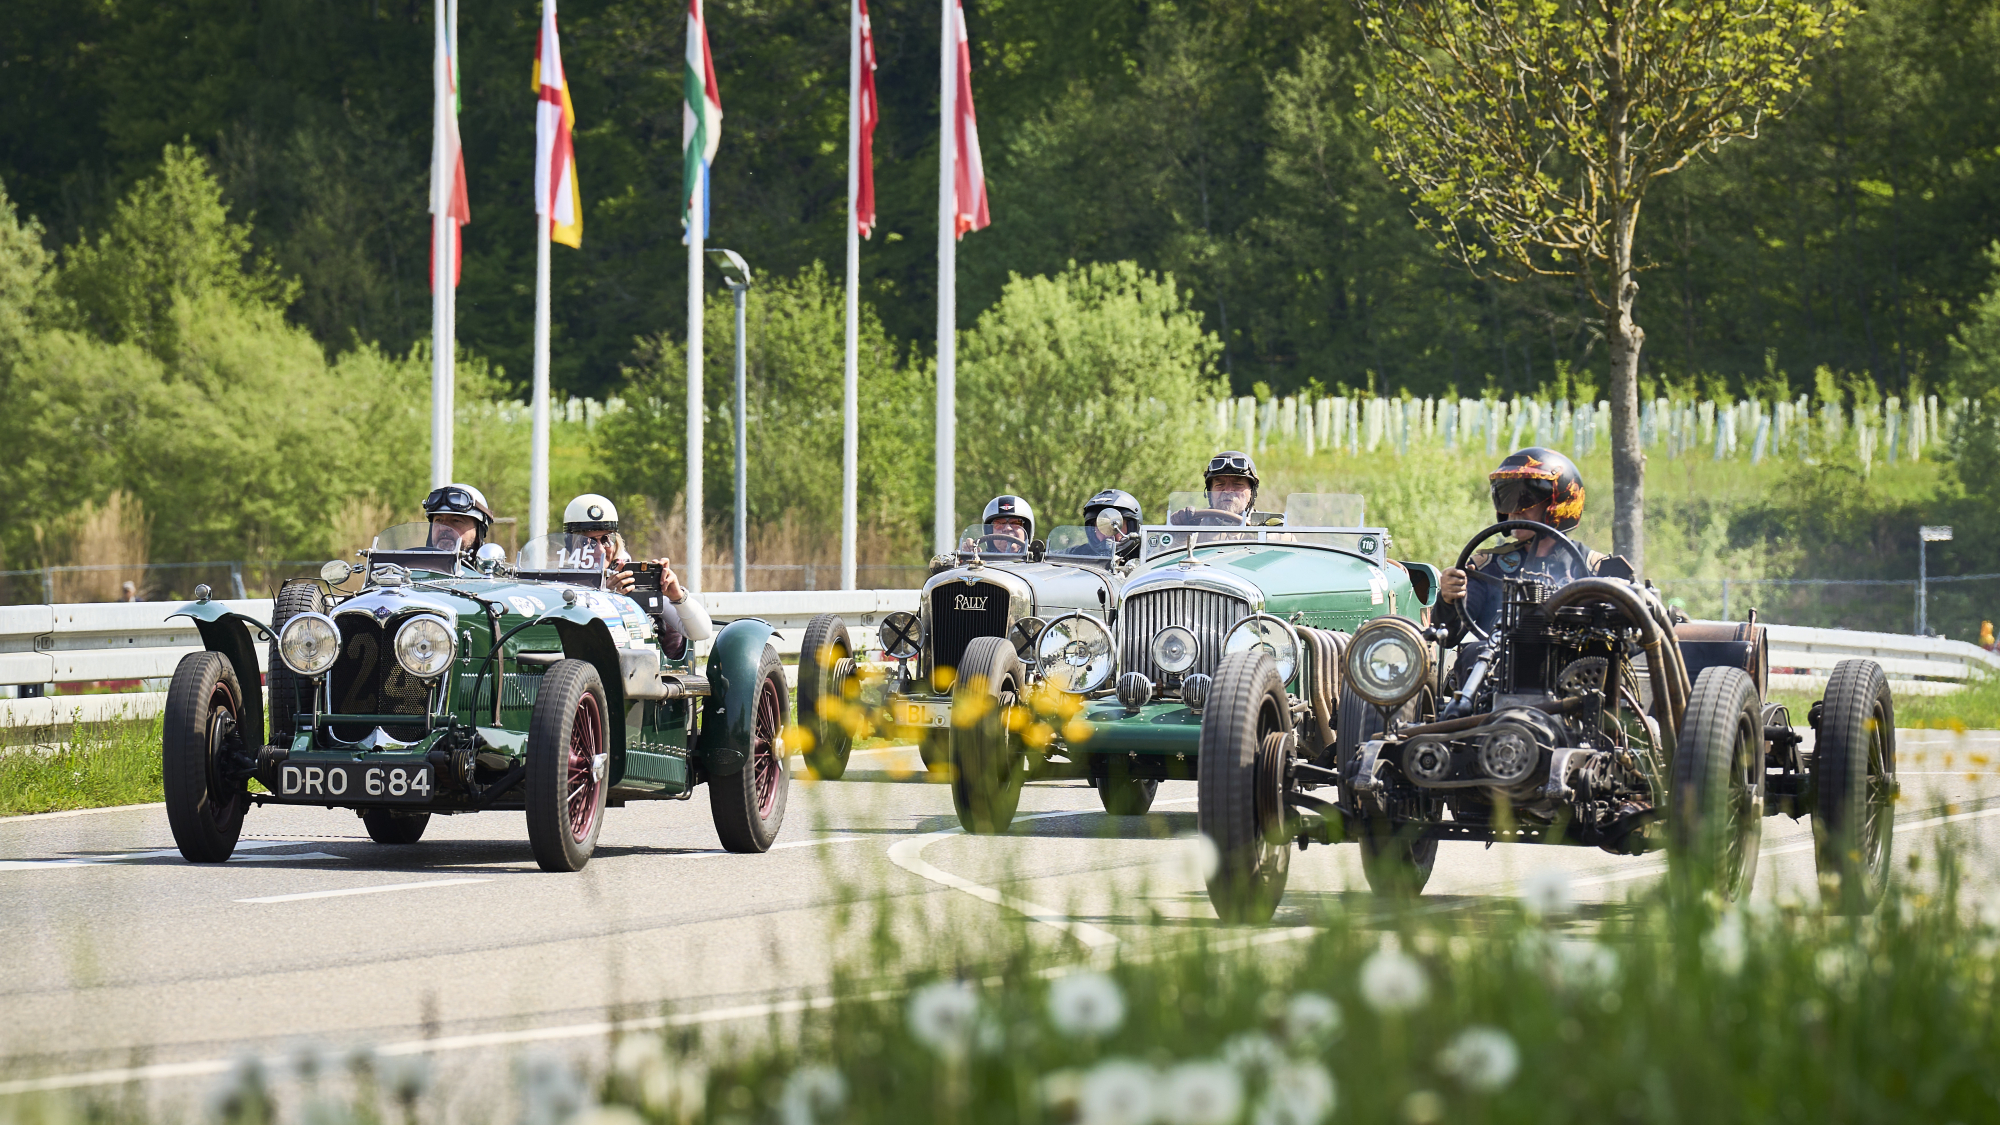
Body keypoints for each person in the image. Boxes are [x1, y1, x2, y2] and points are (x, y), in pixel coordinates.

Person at [1435, 448, 1630, 643]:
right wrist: (1448, 599)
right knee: (1470, 654)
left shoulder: (1595, 568)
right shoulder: (1488, 567)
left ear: (1559, 504)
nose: (1513, 510)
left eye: (1525, 498)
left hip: (1571, 670)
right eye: (1507, 497)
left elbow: (1628, 644)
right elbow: (1447, 637)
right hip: (1498, 668)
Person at [559, 493, 713, 656]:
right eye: (587, 542)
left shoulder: (636, 579)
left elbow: (702, 632)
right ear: (571, 546)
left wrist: (677, 596)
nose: (600, 549)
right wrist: (609, 599)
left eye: (606, 539)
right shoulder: (562, 587)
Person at [423, 483, 498, 555]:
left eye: (456, 520)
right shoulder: (415, 567)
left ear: (478, 532)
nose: (443, 528)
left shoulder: (488, 567)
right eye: (438, 520)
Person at [1081, 488, 1144, 558]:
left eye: (1115, 525)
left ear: (1132, 527)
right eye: (1102, 527)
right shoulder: (1077, 556)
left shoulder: (1146, 557)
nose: (1108, 535)